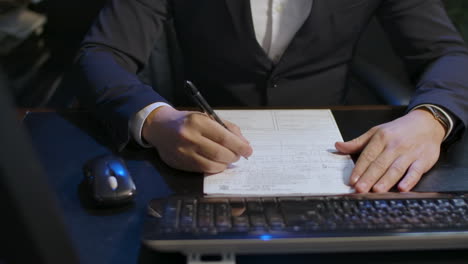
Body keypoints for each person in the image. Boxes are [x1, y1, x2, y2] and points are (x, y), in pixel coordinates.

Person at [76, 0, 468, 193]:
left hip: (336, 164)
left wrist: (430, 119)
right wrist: (158, 121)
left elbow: (448, 53)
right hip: (200, 161)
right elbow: (99, 54)